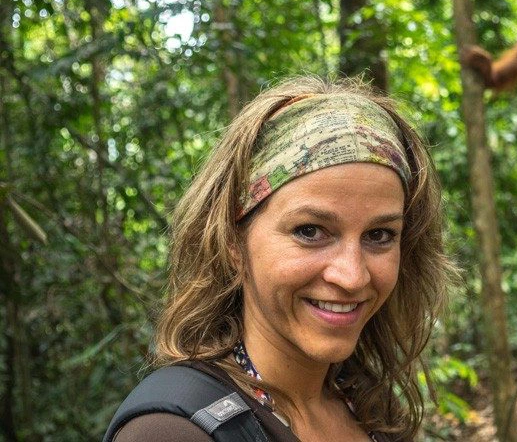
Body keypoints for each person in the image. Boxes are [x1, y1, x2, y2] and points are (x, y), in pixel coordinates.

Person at [104, 76, 454, 442]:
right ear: (233, 241)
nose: (352, 276)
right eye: (310, 231)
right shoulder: (172, 432)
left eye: (379, 235)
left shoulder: (366, 407)